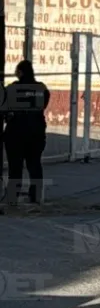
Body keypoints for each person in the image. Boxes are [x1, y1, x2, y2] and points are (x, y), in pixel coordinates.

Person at [3, 60, 51, 205]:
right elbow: (43, 104)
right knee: (35, 165)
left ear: (21, 72)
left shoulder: (12, 89)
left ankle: (12, 198)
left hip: (15, 133)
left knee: (15, 167)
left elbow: (4, 107)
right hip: (36, 133)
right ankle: (36, 197)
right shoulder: (41, 88)